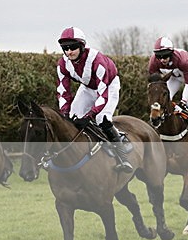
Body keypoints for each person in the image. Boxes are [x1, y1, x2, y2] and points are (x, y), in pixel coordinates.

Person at [56, 26, 132, 172]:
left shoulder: (97, 60)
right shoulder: (63, 64)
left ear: (81, 46)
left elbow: (103, 94)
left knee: (101, 118)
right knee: (72, 117)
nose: (69, 52)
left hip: (108, 86)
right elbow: (63, 92)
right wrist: (64, 113)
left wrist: (90, 115)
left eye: (73, 47)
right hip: (87, 88)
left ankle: (123, 157)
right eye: (65, 48)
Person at [149, 36, 188, 141]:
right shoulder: (153, 62)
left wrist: (182, 103)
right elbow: (155, 82)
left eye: (165, 56)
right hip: (174, 76)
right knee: (164, 99)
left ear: (171, 53)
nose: (162, 60)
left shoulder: (184, 62)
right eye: (159, 56)